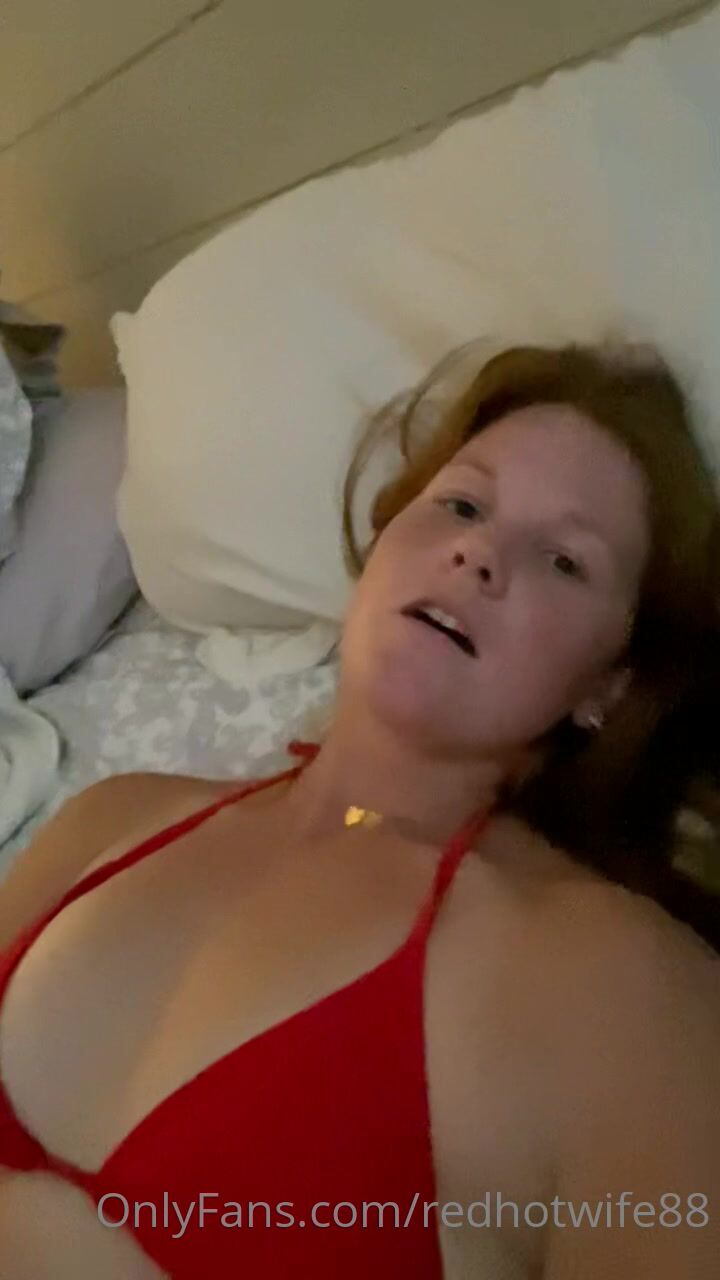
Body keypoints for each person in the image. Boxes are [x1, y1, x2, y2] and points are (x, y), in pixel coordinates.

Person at [0, 340, 718, 1279]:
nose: (478, 553)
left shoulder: (625, 993)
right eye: (462, 505)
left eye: (563, 561)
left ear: (607, 689)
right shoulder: (108, 819)